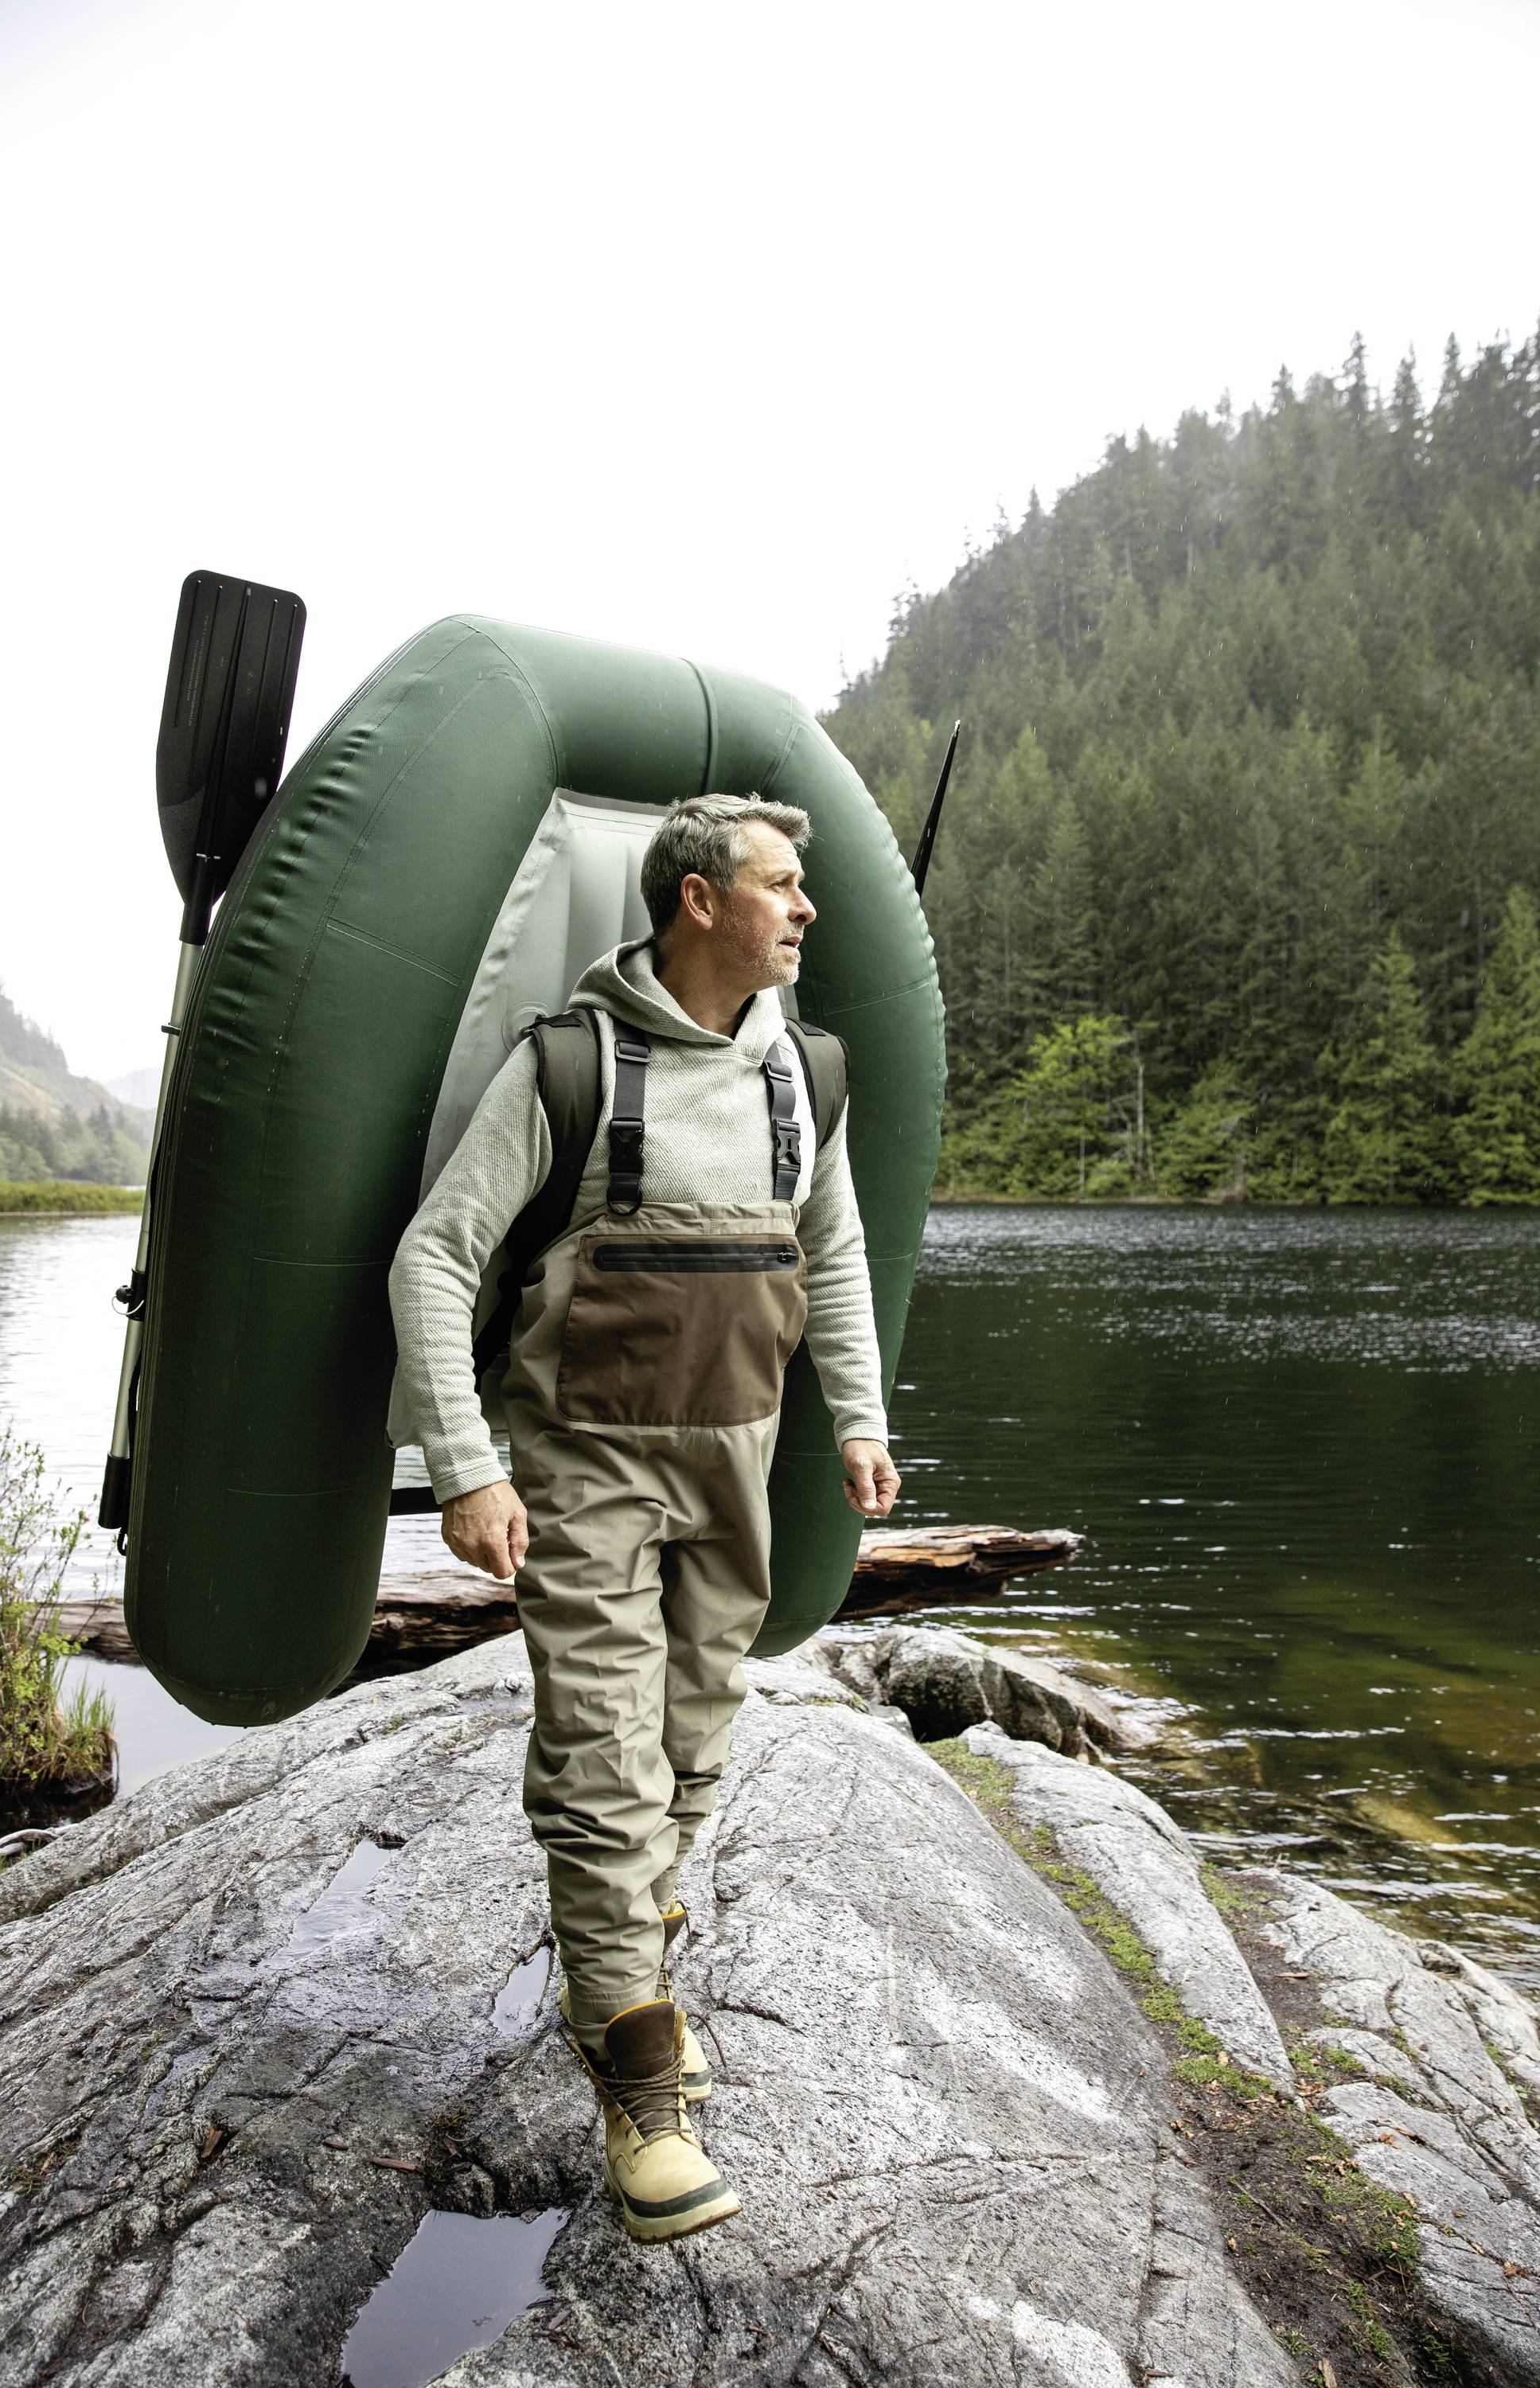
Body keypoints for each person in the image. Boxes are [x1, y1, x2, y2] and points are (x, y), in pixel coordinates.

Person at [388, 793, 898, 2242]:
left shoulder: (807, 1074)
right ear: (696, 901)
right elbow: (435, 1264)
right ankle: (642, 2092)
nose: (805, 912)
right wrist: (470, 1466)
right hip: (584, 1473)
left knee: (690, 1749)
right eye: (782, 888)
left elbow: (835, 1257)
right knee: (605, 1763)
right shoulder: (568, 1067)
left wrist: (858, 1419)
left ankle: (615, 1984)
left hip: (734, 1465)